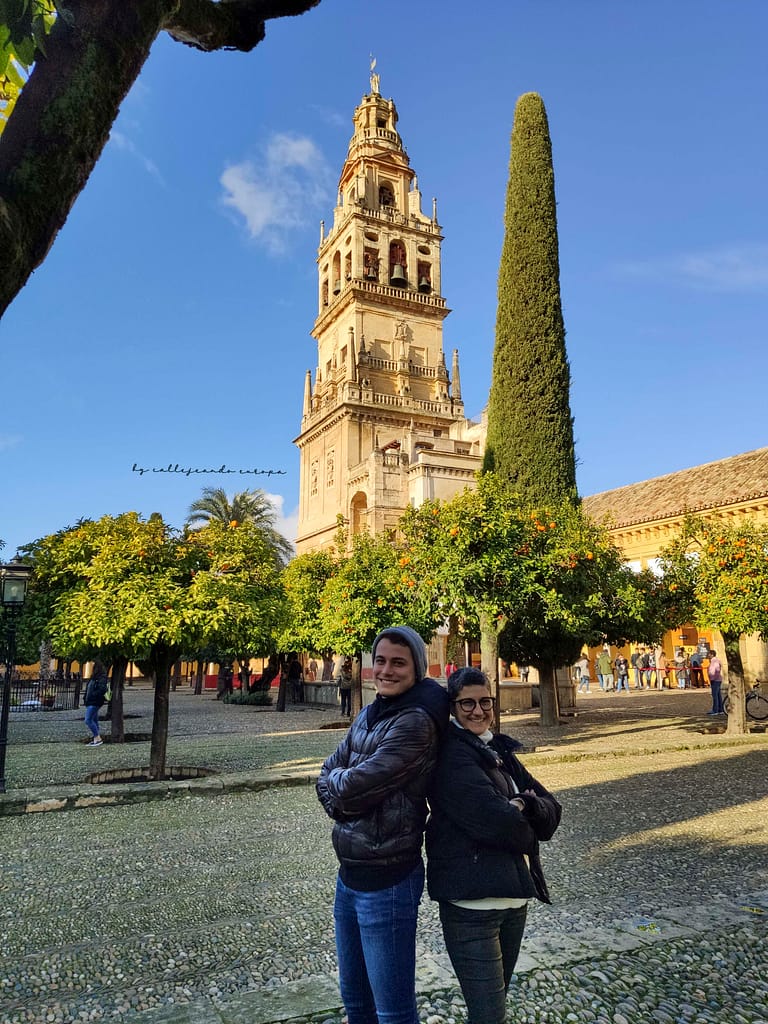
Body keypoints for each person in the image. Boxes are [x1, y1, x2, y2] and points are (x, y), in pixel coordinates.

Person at [316, 626, 449, 1024]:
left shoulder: (415, 722)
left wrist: (337, 793)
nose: (387, 670)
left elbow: (351, 785)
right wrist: (338, 793)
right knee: (356, 1004)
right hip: (350, 875)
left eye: (398, 663)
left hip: (389, 880)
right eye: (381, 660)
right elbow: (327, 770)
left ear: (417, 669)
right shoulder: (370, 713)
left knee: (392, 1011)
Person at [426, 668, 562, 1024]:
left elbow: (552, 810)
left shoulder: (496, 747)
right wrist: (522, 811)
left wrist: (524, 806)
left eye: (485, 701)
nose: (478, 710)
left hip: (513, 899)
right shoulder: (452, 756)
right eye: (467, 703)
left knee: (492, 1009)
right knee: (489, 1016)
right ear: (453, 707)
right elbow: (499, 823)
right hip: (471, 904)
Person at [83, 660, 108, 746]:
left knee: (88, 720)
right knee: (94, 719)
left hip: (95, 702)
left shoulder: (101, 677)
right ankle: (96, 739)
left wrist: (93, 695)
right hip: (90, 701)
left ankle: (97, 737)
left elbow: (102, 689)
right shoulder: (94, 677)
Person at [707, 650, 725, 715]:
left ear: (712, 654)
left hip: (715, 680)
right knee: (718, 695)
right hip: (716, 679)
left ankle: (715, 710)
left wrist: (713, 678)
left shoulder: (715, 661)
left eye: (708, 654)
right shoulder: (713, 661)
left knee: (715, 695)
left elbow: (717, 670)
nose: (707, 655)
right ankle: (720, 709)